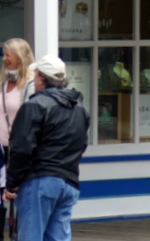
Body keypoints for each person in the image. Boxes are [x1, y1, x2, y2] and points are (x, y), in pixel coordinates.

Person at [3, 55, 89, 241]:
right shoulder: (80, 108)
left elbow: (22, 149)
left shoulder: (34, 105)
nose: (34, 79)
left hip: (39, 181)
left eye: (36, 75)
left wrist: (11, 183)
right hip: (69, 181)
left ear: (42, 78)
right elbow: (81, 144)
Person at [0, 40, 35, 230]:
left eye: (8, 55)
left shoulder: (30, 84)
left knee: (20, 198)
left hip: (19, 151)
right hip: (1, 150)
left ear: (19, 57)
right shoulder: (2, 82)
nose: (4, 59)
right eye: (3, 54)